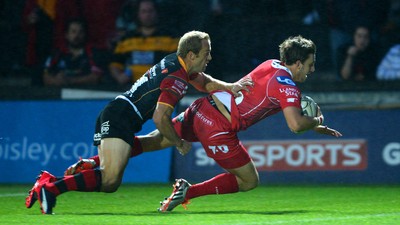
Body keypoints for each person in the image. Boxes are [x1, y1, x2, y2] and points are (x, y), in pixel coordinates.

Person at [62, 35, 342, 212]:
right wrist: (314, 120)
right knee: (249, 181)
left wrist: (308, 122)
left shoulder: (272, 65)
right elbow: (294, 124)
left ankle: (93, 162)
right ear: (297, 64)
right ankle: (189, 191)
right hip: (219, 127)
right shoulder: (287, 84)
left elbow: (275, 102)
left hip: (202, 109)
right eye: (309, 64)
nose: (312, 69)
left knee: (155, 140)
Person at [25, 30, 253, 215]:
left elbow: (205, 82)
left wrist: (229, 87)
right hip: (119, 118)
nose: (209, 58)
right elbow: (160, 118)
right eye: (207, 53)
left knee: (120, 168)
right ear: (192, 55)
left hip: (119, 114)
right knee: (110, 180)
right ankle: (52, 189)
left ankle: (51, 181)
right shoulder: (176, 79)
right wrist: (178, 142)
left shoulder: (177, 63)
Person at [109, 0, 179, 85]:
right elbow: (115, 63)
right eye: (144, 11)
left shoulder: (171, 38)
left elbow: (177, 66)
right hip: (130, 88)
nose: (147, 14)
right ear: (138, 14)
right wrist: (119, 77)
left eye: (150, 11)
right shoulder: (127, 39)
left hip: (160, 88)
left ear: (157, 13)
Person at [42, 18, 103, 86]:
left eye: (80, 32)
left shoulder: (93, 52)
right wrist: (57, 82)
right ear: (66, 35)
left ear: (85, 34)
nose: (77, 36)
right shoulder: (57, 53)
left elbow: (96, 78)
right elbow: (46, 77)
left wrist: (70, 81)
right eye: (73, 32)